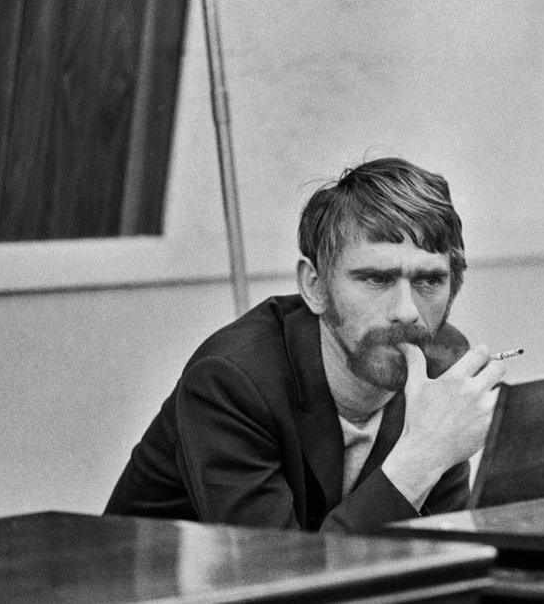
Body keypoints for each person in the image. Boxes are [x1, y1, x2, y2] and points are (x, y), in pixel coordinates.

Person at [104, 157, 506, 531]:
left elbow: (447, 555)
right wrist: (425, 456)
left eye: (429, 281)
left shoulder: (445, 365)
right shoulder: (229, 382)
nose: (407, 312)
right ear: (314, 286)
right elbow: (284, 582)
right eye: (375, 279)